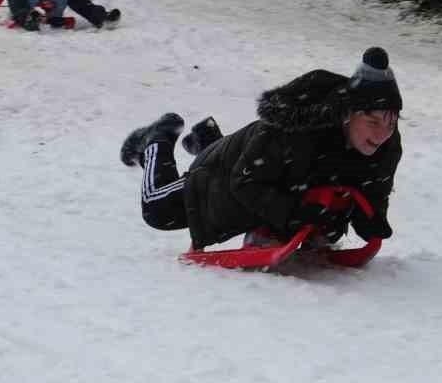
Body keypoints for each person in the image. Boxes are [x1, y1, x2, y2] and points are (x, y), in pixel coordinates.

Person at [120, 47, 403, 252]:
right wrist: (295, 214)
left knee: (269, 167)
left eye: (390, 123)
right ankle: (157, 140)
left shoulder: (385, 144)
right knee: (157, 210)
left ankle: (207, 136)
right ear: (347, 114)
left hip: (257, 158)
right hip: (223, 173)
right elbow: (245, 181)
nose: (382, 133)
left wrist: (371, 221)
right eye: (372, 121)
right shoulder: (297, 132)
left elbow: (372, 187)